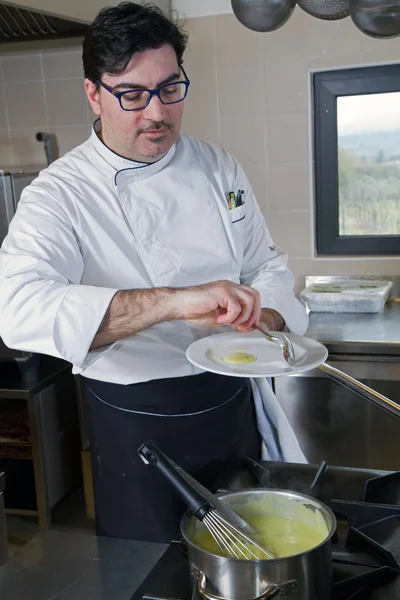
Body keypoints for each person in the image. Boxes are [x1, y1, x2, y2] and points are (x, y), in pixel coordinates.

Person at [0, 2, 308, 542]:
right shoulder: (60, 193)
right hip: (138, 425)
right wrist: (172, 301)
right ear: (93, 93)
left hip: (231, 403)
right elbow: (17, 309)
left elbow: (265, 262)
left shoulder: (217, 167)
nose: (157, 113)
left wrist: (269, 314)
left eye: (170, 89)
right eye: (132, 95)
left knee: (254, 560)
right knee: (152, 576)